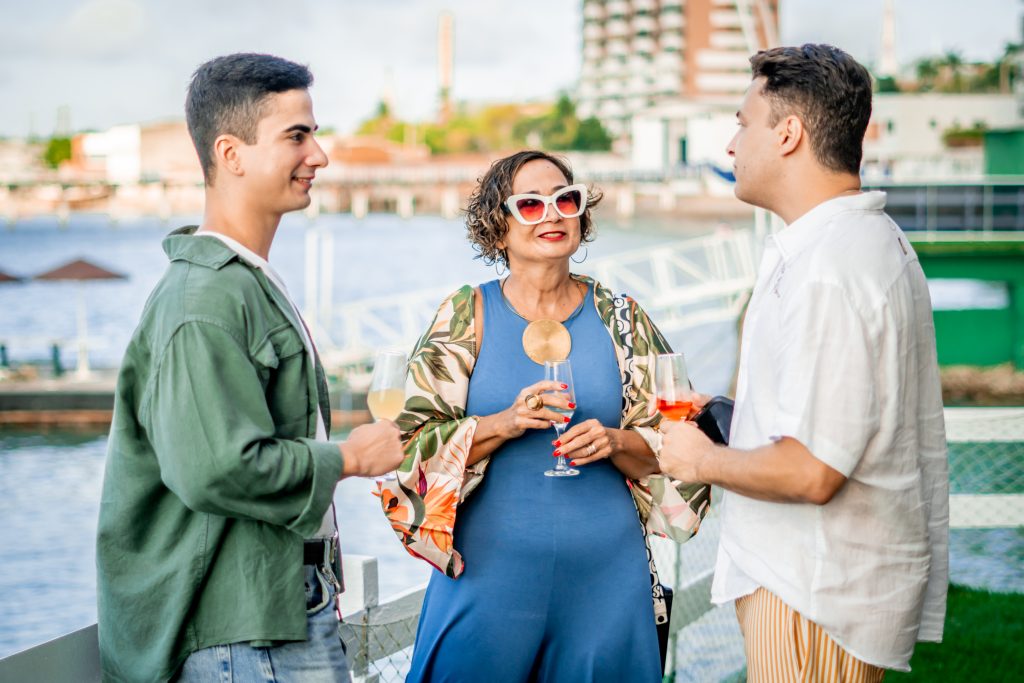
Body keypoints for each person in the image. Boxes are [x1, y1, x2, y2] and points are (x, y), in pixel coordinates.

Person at [96, 53, 405, 682]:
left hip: (279, 619)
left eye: (314, 134)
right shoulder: (204, 300)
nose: (318, 155)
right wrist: (350, 458)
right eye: (297, 136)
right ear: (231, 154)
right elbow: (216, 468)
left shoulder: (243, 283)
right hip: (244, 642)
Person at [659, 44, 949, 681]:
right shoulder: (856, 244)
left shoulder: (830, 268)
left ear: (787, 133)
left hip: (811, 590)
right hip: (815, 583)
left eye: (741, 122)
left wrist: (698, 460)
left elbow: (815, 471)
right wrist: (735, 419)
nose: (731, 145)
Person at [376, 150, 710, 682]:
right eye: (530, 204)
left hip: (607, 581)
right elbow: (403, 447)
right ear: (498, 226)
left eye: (565, 200)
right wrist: (502, 424)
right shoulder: (466, 315)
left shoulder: (623, 319)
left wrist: (616, 441)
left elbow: (684, 443)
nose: (552, 215)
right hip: (488, 578)